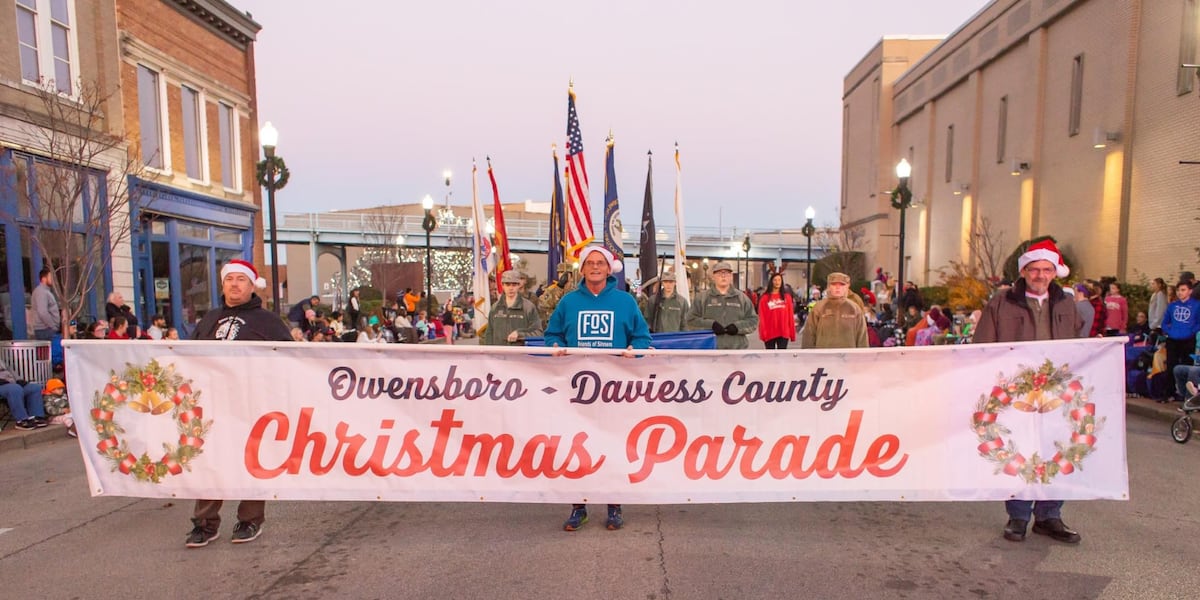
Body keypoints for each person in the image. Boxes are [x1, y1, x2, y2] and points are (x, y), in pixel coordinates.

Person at [972, 238, 1083, 545]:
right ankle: (1018, 516)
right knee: (1020, 451)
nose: (1040, 275)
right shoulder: (1001, 303)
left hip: (1055, 392)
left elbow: (1077, 342)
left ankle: (1049, 515)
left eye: (1047, 269)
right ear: (1024, 271)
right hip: (1015, 392)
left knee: (1056, 450)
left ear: (1055, 272)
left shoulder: (1065, 303)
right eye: (1034, 269)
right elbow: (983, 346)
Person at [185, 259, 292, 548]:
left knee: (252, 461)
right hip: (212, 405)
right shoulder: (208, 320)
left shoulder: (269, 322)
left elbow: (292, 360)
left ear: (251, 285)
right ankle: (205, 524)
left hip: (252, 405)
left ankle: (250, 519)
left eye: (240, 279)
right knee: (210, 462)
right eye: (229, 279)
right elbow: (188, 357)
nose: (234, 284)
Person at [544, 245, 651, 532]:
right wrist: (555, 346)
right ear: (582, 269)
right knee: (576, 446)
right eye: (589, 263)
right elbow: (552, 334)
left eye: (599, 263)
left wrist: (634, 350)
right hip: (575, 388)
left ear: (609, 268)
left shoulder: (625, 302)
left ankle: (613, 504)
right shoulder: (568, 302)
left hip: (614, 389)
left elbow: (642, 337)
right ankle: (579, 506)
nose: (594, 267)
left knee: (613, 444)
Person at [686, 261, 758, 349]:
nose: (723, 276)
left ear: (731, 276)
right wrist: (711, 325)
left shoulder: (742, 298)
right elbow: (691, 320)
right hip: (710, 349)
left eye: (727, 273)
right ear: (713, 276)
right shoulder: (702, 298)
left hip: (737, 350)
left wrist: (737, 327)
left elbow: (753, 320)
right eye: (719, 273)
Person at [800, 272, 869, 349]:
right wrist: (807, 357)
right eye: (834, 284)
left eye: (842, 285)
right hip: (823, 358)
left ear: (847, 287)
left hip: (849, 358)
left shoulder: (854, 309)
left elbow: (862, 338)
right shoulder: (818, 308)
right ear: (828, 286)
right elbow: (809, 336)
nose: (837, 287)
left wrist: (863, 358)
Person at [1162, 279, 1200, 402]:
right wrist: (1170, 331)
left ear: (1190, 291)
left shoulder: (1197, 305)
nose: (1180, 293)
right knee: (1171, 366)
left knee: (1186, 367)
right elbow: (1164, 322)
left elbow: (1198, 322)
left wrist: (1191, 331)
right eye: (1178, 290)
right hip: (1173, 340)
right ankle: (1169, 393)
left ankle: (1187, 396)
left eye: (1183, 290)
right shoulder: (1172, 305)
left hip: (1188, 340)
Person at [483, 270, 542, 346]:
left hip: (521, 355)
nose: (511, 288)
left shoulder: (528, 307)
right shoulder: (495, 308)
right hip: (499, 355)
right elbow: (489, 334)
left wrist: (520, 334)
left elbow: (538, 332)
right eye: (507, 284)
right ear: (502, 285)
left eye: (514, 285)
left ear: (518, 285)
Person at [1, 359, 48, 430]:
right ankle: (22, 420)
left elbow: (9, 370)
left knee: (34, 387)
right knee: (15, 389)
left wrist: (18, 379)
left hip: (10, 383)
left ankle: (36, 416)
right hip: (3, 385)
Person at [757, 272, 796, 349]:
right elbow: (762, 317)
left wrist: (792, 333)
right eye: (775, 280)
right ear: (771, 282)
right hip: (770, 332)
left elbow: (790, 316)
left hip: (783, 332)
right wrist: (763, 333)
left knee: (781, 357)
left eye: (779, 280)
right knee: (770, 357)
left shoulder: (787, 297)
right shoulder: (764, 298)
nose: (777, 282)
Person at [31, 267, 60, 341]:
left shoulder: (46, 291)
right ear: (43, 278)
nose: (52, 280)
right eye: (50, 277)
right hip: (45, 330)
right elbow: (42, 312)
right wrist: (53, 326)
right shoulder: (41, 292)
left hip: (47, 330)